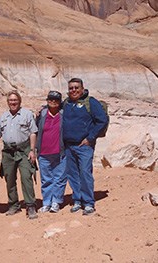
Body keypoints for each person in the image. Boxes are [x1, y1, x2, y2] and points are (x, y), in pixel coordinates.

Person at [62, 78, 109, 215]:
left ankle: (88, 202)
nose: (74, 90)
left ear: (82, 89)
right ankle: (77, 199)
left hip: (84, 146)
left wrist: (90, 137)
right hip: (69, 146)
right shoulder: (67, 103)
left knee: (85, 173)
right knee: (73, 174)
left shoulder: (91, 102)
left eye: (76, 87)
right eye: (71, 88)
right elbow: (54, 108)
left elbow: (102, 120)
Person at [0, 90, 39, 219]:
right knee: (9, 179)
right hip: (8, 152)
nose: (13, 102)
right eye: (10, 100)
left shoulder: (27, 114)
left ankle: (30, 205)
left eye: (15, 100)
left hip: (24, 150)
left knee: (26, 177)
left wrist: (32, 150)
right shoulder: (3, 117)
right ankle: (13, 205)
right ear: (7, 102)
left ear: (19, 101)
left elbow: (33, 132)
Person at [35, 90, 67, 213]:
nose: (53, 102)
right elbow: (35, 131)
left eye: (56, 100)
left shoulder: (63, 114)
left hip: (60, 152)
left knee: (59, 178)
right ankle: (46, 202)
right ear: (47, 101)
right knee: (46, 179)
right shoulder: (42, 114)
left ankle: (56, 202)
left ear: (60, 102)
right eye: (50, 99)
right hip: (43, 152)